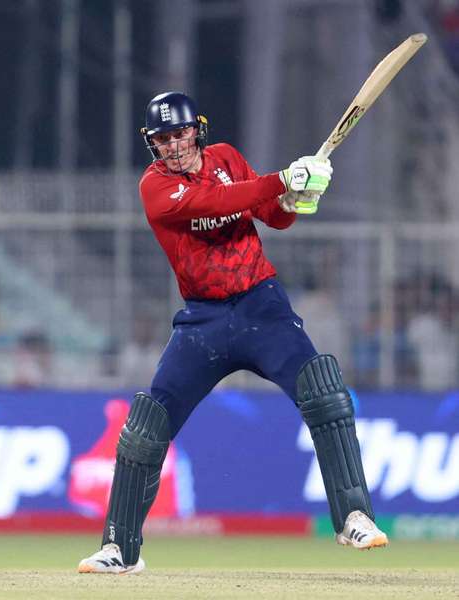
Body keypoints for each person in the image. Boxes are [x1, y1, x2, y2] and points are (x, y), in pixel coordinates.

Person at [77, 92, 386, 575]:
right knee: (146, 427)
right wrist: (280, 179)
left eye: (180, 134)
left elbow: (274, 216)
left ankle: (353, 517)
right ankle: (120, 549)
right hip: (203, 323)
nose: (173, 146)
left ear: (196, 129)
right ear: (151, 144)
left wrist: (297, 196)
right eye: (163, 139)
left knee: (325, 395)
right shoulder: (155, 187)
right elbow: (214, 201)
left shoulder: (227, 158)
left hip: (263, 307)